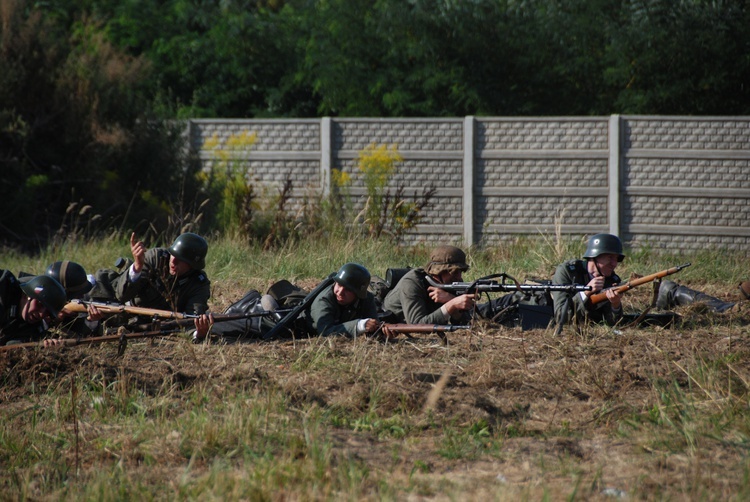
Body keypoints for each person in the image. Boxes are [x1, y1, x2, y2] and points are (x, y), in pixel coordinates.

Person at [99, 232, 213, 340]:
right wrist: (137, 266)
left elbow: (191, 320)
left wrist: (198, 333)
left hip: (158, 326)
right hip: (125, 311)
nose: (174, 261)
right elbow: (121, 295)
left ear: (192, 265)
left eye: (181, 259)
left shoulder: (198, 284)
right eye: (173, 254)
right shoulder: (155, 258)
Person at [382, 245, 476, 325]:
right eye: (454, 272)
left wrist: (451, 300)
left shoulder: (451, 283)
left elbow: (467, 322)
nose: (459, 277)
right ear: (438, 271)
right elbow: (417, 324)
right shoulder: (412, 283)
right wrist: (451, 304)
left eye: (461, 271)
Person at [551, 233, 624, 327]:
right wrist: (585, 292)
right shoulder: (567, 272)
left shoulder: (611, 280)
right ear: (594, 256)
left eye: (616, 258)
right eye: (610, 258)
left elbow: (614, 324)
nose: (614, 264)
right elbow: (561, 317)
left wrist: (615, 305)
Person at [305, 263, 382, 337]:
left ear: (358, 294)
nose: (340, 292)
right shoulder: (324, 300)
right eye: (339, 284)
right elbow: (325, 331)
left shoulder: (366, 299)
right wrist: (360, 325)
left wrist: (381, 329)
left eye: (347, 289)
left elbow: (373, 324)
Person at [0, 272, 67, 345]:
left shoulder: (33, 330)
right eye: (40, 304)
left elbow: (13, 347)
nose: (42, 314)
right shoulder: (4, 286)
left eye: (47, 312)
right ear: (26, 295)